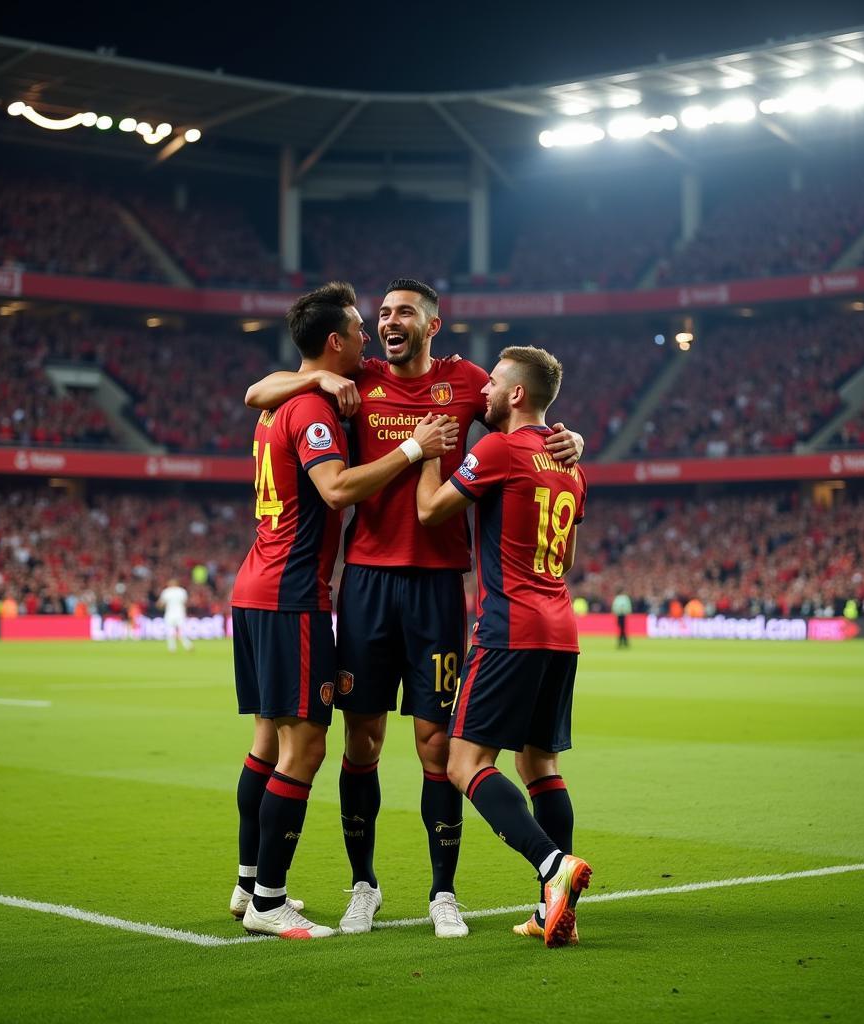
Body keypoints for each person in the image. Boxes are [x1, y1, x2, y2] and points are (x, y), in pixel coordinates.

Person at [244, 278, 583, 938]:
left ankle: (442, 893)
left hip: (437, 589)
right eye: (382, 313)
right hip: (367, 585)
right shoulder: (357, 379)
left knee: (435, 746)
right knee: (361, 738)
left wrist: (570, 439)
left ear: (432, 324)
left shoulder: (467, 382)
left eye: (402, 313)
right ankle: (363, 885)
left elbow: (526, 420)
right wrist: (307, 385)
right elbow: (259, 394)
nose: (388, 321)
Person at [230, 281, 459, 939]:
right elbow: (333, 489)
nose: (371, 334)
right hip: (294, 594)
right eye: (363, 326)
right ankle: (270, 899)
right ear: (336, 342)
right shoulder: (315, 408)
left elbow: (256, 390)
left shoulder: (281, 401)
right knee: (304, 747)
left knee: (268, 741)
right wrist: (413, 449)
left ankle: (249, 886)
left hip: (256, 586)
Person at [415, 345, 593, 948]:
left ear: (517, 394)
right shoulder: (570, 463)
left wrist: (428, 453)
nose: (484, 391)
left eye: (492, 382)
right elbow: (565, 555)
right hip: (560, 628)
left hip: (509, 628)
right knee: (539, 763)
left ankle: (553, 867)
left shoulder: (496, 449)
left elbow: (430, 511)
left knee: (463, 762)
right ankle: (554, 911)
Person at [157, 579, 193, 652]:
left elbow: (160, 604)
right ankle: (188, 645)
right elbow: (186, 602)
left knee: (170, 631)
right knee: (181, 631)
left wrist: (157, 606)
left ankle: (172, 648)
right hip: (180, 613)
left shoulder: (166, 591)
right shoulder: (182, 591)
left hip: (169, 614)